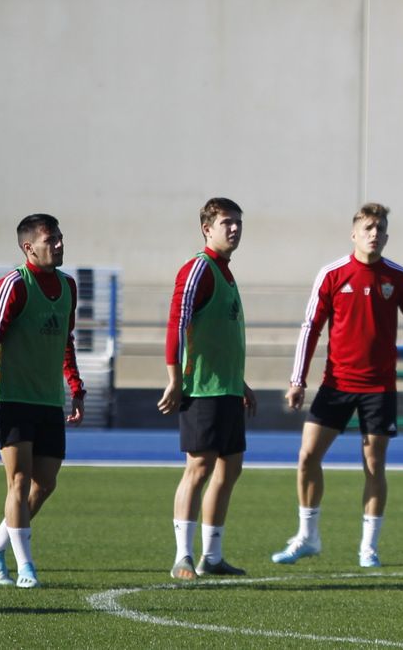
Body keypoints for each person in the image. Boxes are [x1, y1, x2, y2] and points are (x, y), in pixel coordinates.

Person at [272, 203, 403, 568]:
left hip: (379, 388)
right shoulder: (332, 274)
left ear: (387, 236)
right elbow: (310, 327)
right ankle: (307, 536)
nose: (374, 234)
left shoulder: (398, 277)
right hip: (335, 385)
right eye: (367, 228)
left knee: (374, 465)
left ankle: (368, 548)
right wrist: (298, 380)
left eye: (380, 228)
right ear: (354, 233)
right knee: (307, 457)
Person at [0, 214, 87, 589]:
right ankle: (26, 568)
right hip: (11, 397)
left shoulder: (68, 286)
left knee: (45, 483)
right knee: (18, 480)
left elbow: (66, 341)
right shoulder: (14, 285)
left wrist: (75, 387)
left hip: (48, 399)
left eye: (61, 237)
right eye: (51, 240)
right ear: (28, 247)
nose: (60, 245)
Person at [158, 196, 255, 579]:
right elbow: (176, 324)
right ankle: (183, 556)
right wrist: (173, 378)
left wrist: (240, 383)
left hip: (227, 389)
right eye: (226, 222)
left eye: (238, 222)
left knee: (230, 470)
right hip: (201, 390)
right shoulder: (198, 269)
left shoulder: (226, 272)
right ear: (207, 228)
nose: (234, 228)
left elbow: (220, 336)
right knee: (198, 469)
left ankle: (212, 557)